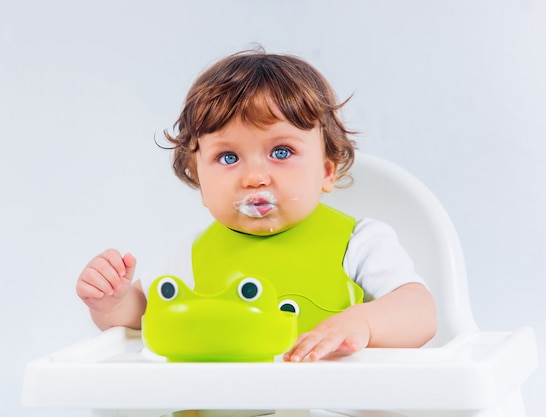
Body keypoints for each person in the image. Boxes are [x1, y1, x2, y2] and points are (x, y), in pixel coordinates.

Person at [76, 49, 437, 362]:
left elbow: (420, 312)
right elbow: (142, 315)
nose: (254, 177)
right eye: (228, 156)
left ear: (326, 171)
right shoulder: (190, 256)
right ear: (200, 182)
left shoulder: (359, 242)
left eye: (281, 152)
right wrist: (112, 302)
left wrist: (362, 323)